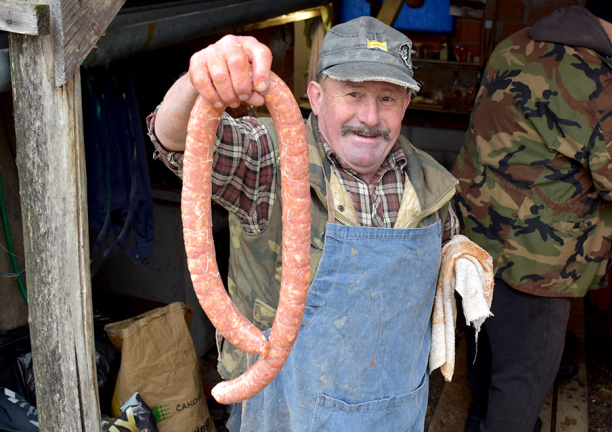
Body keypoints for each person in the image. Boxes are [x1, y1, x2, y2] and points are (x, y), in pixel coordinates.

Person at [149, 16, 460, 431]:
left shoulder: (432, 185)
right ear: (316, 96)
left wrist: (463, 259)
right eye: (353, 93)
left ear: (405, 104)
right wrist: (199, 78)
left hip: (394, 414)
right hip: (285, 414)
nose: (370, 117)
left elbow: (440, 274)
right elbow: (174, 140)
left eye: (387, 98)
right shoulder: (268, 157)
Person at [451, 0, 612, 430]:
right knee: (522, 384)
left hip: (473, 243)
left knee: (482, 362)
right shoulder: (605, 87)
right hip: (536, 268)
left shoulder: (513, 45)